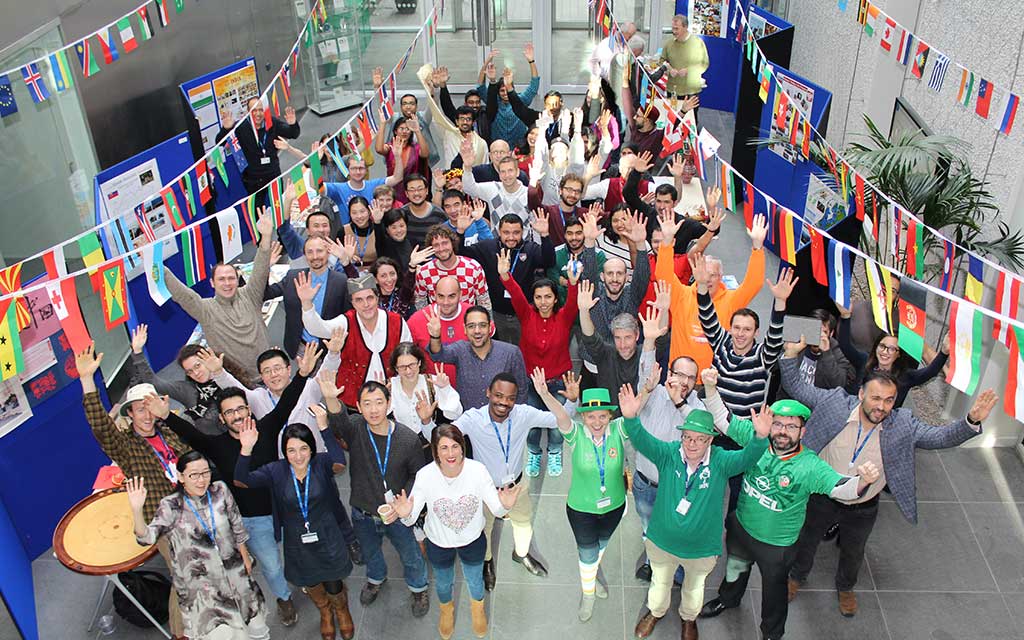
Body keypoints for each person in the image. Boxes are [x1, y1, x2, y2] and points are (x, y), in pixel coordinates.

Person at [779, 346, 995, 617]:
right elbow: (797, 387)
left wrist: (970, 420)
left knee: (854, 550)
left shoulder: (902, 424)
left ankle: (845, 587)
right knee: (807, 539)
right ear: (860, 395)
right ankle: (796, 577)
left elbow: (938, 437)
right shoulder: (835, 403)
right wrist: (790, 354)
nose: (882, 406)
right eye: (876, 398)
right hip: (823, 496)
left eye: (889, 400)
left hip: (863, 505)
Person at [698, 370, 881, 640]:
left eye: (791, 426)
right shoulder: (756, 436)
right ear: (769, 425)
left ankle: (771, 633)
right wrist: (711, 388)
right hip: (742, 528)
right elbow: (724, 420)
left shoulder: (810, 465)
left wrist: (862, 482)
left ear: (802, 431)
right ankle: (729, 599)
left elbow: (840, 488)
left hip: (778, 545)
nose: (783, 431)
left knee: (774, 593)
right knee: (735, 569)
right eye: (778, 424)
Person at [156, 344, 320, 627]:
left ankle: (306, 580)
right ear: (222, 418)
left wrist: (302, 375)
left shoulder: (267, 427)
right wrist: (166, 415)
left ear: (249, 411)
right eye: (229, 412)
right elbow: (191, 434)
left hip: (287, 507)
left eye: (241, 409)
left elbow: (287, 402)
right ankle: (283, 598)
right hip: (254, 520)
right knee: (270, 565)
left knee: (301, 550)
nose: (237, 415)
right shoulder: (217, 445)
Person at [617, 384, 768, 640]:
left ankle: (688, 618)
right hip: (662, 541)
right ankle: (655, 612)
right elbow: (642, 440)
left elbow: (748, 459)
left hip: (701, 549)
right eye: (687, 436)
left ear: (711, 440)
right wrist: (631, 418)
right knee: (660, 584)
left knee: (694, 589)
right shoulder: (668, 454)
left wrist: (760, 438)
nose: (692, 444)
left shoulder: (721, 461)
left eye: (700, 438)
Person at [76, 344, 189, 638]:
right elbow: (101, 427)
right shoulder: (126, 446)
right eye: (140, 409)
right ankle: (182, 634)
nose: (147, 415)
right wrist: (88, 381)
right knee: (185, 575)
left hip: (194, 506)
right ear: (130, 413)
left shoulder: (172, 431)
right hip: (165, 521)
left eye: (150, 407)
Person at [314, 375, 432, 617]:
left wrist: (404, 501)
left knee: (410, 553)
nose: (374, 409)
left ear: (389, 404)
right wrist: (330, 398)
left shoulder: (407, 439)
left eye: (379, 402)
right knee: (370, 552)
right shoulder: (356, 428)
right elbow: (338, 422)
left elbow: (417, 475)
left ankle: (418, 587)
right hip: (363, 511)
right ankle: (376, 579)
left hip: (397, 514)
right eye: (367, 403)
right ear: (358, 407)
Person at [428, 372, 558, 591]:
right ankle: (487, 562)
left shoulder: (523, 414)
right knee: (484, 531)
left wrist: (569, 401)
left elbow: (558, 420)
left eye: (510, 398)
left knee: (524, 524)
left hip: (516, 486)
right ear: (488, 393)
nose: (504, 403)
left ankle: (522, 554)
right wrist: (426, 421)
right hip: (485, 490)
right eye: (498, 395)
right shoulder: (473, 419)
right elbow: (445, 438)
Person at [390, 424, 521, 639]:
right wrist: (405, 513)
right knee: (443, 582)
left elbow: (497, 510)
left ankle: (477, 610)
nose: (450, 453)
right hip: (438, 543)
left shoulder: (477, 470)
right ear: (435, 451)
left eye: (454, 446)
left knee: (475, 580)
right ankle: (446, 611)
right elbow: (410, 519)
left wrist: (505, 505)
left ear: (462, 447)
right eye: (443, 448)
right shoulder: (425, 475)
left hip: (472, 540)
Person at [235, 413, 355, 640]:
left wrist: (324, 429)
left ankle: (341, 609)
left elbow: (340, 462)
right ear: (284, 452)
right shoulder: (276, 471)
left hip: (327, 533)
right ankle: (325, 612)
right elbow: (242, 480)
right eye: (291, 450)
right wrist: (246, 449)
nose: (298, 456)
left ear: (311, 449)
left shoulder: (320, 463)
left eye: (303, 449)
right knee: (310, 579)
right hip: (296, 539)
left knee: (332, 579)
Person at [126, 456, 270, 640]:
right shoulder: (171, 505)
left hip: (235, 575)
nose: (201, 480)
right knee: (224, 634)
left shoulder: (220, 491)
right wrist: (137, 510)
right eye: (194, 475)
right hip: (203, 588)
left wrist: (245, 556)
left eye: (205, 473)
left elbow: (237, 525)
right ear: (180, 476)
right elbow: (146, 538)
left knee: (255, 624)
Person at [530, 373, 630, 622]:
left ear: (610, 416)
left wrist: (648, 390)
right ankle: (588, 594)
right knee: (587, 554)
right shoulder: (576, 435)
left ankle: (592, 573)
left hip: (614, 506)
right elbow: (561, 416)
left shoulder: (619, 429)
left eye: (602, 416)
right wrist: (544, 394)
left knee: (600, 547)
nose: (597, 422)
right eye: (591, 416)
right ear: (583, 416)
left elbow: (635, 412)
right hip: (581, 510)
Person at [166, 210, 275, 383]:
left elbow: (260, 270)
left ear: (238, 279)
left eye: (231, 278)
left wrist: (266, 237)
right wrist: (155, 264)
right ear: (212, 283)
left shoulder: (250, 294)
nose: (227, 283)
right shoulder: (205, 309)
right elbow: (182, 294)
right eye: (221, 279)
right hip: (240, 382)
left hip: (269, 371)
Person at [500, 245, 580, 478]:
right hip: (531, 381)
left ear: (556, 299)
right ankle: (534, 452)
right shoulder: (526, 314)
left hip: (559, 381)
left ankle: (555, 451)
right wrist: (505, 275)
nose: (543, 302)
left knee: (558, 421)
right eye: (538, 297)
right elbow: (515, 294)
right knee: (532, 422)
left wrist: (573, 283)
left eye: (548, 297)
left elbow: (573, 301)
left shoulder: (564, 317)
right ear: (533, 299)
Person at [657, 210, 766, 373]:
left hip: (713, 382)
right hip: (679, 377)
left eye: (712, 275)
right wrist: (666, 243)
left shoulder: (731, 300)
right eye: (703, 273)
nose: (706, 279)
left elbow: (754, 283)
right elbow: (663, 275)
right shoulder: (682, 295)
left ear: (721, 277)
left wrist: (757, 247)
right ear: (695, 273)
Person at [630, 356, 707, 583]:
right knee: (648, 527)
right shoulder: (653, 392)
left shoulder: (697, 406)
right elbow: (644, 373)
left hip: (677, 489)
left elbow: (699, 427)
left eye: (690, 377)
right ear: (670, 374)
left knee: (678, 531)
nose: (684, 381)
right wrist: (651, 340)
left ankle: (679, 571)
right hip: (646, 484)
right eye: (679, 374)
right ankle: (652, 562)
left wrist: (679, 403)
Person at [694, 253, 790, 418]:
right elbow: (706, 314)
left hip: (745, 431)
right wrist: (702, 285)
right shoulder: (721, 343)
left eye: (747, 329)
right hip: (714, 426)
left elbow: (775, 335)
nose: (740, 334)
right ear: (730, 329)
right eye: (736, 328)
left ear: (756, 333)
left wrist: (780, 302)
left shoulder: (762, 356)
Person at [299, 272, 412, 409]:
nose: (366, 304)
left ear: (377, 298)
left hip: (391, 401)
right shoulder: (345, 322)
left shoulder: (397, 322)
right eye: (359, 300)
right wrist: (306, 304)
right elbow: (318, 329)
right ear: (352, 303)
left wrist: (398, 384)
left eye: (370, 298)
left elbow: (408, 358)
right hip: (351, 403)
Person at [128, 326, 245, 436]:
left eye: (198, 366)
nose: (196, 373)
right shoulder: (187, 390)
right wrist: (138, 352)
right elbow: (154, 381)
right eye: (189, 371)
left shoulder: (227, 377)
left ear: (207, 359)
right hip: (219, 446)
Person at [462, 213, 556, 344]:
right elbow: (461, 252)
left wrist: (545, 235)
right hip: (496, 314)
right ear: (499, 232)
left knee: (524, 353)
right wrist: (460, 232)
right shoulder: (487, 247)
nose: (511, 237)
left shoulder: (530, 248)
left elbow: (549, 261)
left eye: (516, 233)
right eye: (506, 232)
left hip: (523, 315)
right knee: (499, 353)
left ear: (522, 232)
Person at [836, 302, 949, 407]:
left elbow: (930, 372)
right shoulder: (864, 362)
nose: (885, 352)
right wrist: (846, 317)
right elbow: (845, 346)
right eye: (882, 346)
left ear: (898, 354)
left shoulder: (905, 376)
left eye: (891, 349)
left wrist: (944, 352)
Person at [578, 282, 669, 408]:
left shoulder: (646, 352)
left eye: (628, 338)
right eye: (618, 338)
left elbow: (661, 336)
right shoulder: (605, 353)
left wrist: (664, 310)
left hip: (640, 417)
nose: (622, 344)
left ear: (637, 336)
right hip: (611, 419)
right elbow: (590, 338)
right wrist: (583, 311)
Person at [428, 305, 528, 410]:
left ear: (490, 327)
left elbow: (521, 391)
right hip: (470, 422)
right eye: (471, 326)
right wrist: (435, 336)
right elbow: (437, 354)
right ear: (465, 329)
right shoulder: (460, 350)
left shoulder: (511, 353)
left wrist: (515, 419)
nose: (477, 331)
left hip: (503, 420)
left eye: (482, 325)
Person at [264, 236, 350, 358]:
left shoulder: (341, 281)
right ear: (304, 255)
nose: (315, 256)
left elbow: (350, 314)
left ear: (328, 252)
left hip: (330, 347)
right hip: (300, 347)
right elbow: (266, 294)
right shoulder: (293, 277)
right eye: (310, 252)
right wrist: (265, 268)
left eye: (319, 251)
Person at [217, 98, 300, 197]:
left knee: (279, 204)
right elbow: (219, 143)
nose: (258, 114)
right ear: (248, 112)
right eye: (254, 110)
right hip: (253, 179)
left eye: (260, 110)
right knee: (257, 209)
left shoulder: (271, 123)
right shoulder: (241, 127)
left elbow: (293, 134)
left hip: (273, 174)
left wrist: (293, 124)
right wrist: (226, 129)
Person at [418, 64, 488, 168]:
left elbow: (485, 166)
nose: (465, 122)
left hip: (474, 182)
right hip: (451, 182)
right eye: (462, 119)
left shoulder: (481, 143)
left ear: (473, 122)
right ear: (456, 121)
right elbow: (436, 113)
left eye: (468, 119)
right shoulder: (448, 134)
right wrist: (437, 88)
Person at [387, 342, 464, 435]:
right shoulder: (389, 387)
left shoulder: (433, 382)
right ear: (395, 368)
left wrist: (445, 389)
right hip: (398, 445)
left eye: (412, 365)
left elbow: (455, 414)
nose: (408, 371)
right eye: (402, 367)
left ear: (419, 362)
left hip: (430, 443)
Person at [407, 276, 471, 383]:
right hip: (432, 388)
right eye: (441, 296)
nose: (446, 302)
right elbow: (405, 356)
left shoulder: (474, 316)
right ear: (434, 295)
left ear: (460, 294)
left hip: (468, 387)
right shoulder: (416, 320)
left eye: (451, 296)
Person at [414, 224, 490, 310]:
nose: (441, 248)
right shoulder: (424, 271)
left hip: (467, 320)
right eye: (436, 245)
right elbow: (420, 301)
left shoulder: (473, 267)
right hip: (438, 321)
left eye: (445, 243)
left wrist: (488, 323)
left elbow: (484, 301)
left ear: (453, 243)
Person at [461, 141, 531, 232]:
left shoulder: (528, 194)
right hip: (497, 241)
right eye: (503, 172)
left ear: (517, 172)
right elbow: (469, 188)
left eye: (510, 171)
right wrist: (467, 167)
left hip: (524, 242)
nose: (507, 175)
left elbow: (535, 222)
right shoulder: (492, 188)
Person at [784, 309, 857, 393]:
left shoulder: (839, 351)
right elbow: (775, 367)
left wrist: (827, 353)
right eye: (815, 330)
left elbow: (839, 385)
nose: (818, 336)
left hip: (816, 403)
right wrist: (789, 352)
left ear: (831, 333)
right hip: (789, 399)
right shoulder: (797, 341)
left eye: (824, 332)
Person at [321, 153, 405, 225]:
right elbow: (318, 188)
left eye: (361, 168)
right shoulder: (338, 189)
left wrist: (397, 156)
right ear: (347, 170)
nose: (358, 172)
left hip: (372, 234)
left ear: (366, 170)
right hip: (349, 235)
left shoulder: (374, 185)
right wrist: (314, 162)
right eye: (353, 168)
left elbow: (397, 178)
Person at [481, 44, 540, 145]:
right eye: (502, 91)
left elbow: (534, 85)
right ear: (498, 92)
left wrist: (531, 61)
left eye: (507, 89)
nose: (505, 93)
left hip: (518, 149)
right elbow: (480, 87)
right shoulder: (494, 103)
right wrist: (486, 63)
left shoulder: (520, 100)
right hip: (498, 150)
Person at [545, 212, 607, 305]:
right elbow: (551, 275)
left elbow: (596, 283)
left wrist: (565, 282)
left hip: (590, 307)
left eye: (578, 233)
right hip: (563, 307)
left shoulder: (598, 255)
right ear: (564, 235)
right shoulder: (555, 253)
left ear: (585, 233)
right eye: (569, 233)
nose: (574, 238)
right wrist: (565, 282)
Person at [659, 15, 710, 123]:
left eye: (676, 28)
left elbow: (704, 64)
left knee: (690, 120)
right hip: (672, 89)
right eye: (673, 28)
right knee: (672, 119)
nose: (674, 31)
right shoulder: (669, 43)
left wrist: (688, 71)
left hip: (690, 90)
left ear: (685, 27)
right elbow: (662, 61)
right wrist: (668, 68)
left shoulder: (697, 43)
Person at [377, 114, 432, 204]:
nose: (405, 131)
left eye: (407, 129)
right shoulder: (391, 147)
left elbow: (425, 153)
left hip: (413, 191)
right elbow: (379, 149)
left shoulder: (415, 147)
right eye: (401, 128)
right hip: (395, 192)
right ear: (395, 131)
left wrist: (417, 130)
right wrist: (382, 124)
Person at [597, 204, 650, 276]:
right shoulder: (602, 238)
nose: (619, 224)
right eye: (615, 221)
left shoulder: (643, 244)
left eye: (624, 220)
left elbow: (643, 272)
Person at [397, 173, 448, 249]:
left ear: (427, 191)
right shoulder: (401, 215)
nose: (416, 193)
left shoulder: (439, 214)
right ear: (406, 193)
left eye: (420, 189)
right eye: (412, 190)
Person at [341, 196, 379, 270]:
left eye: (362, 211)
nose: (359, 216)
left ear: (369, 211)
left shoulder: (378, 228)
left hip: (375, 273)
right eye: (354, 213)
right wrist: (347, 257)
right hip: (351, 274)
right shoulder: (343, 231)